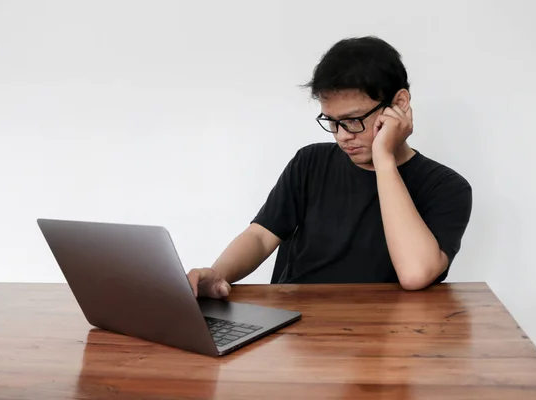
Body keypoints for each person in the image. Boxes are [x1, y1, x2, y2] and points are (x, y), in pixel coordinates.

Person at [188, 36, 472, 298]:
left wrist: (384, 158)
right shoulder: (310, 162)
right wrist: (218, 274)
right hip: (298, 326)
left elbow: (415, 274)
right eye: (332, 122)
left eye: (353, 120)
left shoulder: (446, 187)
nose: (342, 135)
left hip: (386, 335)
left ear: (398, 104)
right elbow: (261, 236)